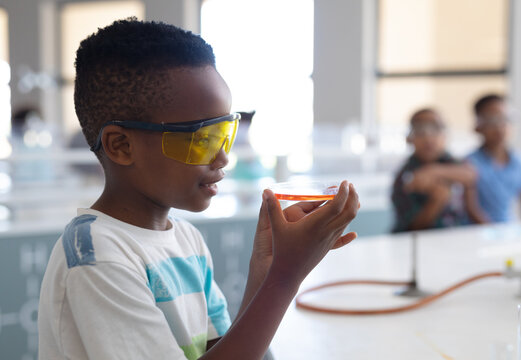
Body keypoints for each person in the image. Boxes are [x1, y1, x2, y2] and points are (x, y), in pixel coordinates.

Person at [38, 18, 359, 360]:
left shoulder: (186, 239)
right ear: (121, 146)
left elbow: (226, 352)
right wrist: (286, 276)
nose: (222, 157)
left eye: (224, 134)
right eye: (201, 139)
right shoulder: (96, 257)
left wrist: (266, 271)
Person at [391, 108, 485, 232]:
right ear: (409, 138)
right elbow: (412, 228)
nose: (428, 137)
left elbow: (471, 174)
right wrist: (437, 200)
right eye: (420, 130)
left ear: (445, 135)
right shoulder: (405, 175)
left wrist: (433, 171)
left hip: (457, 239)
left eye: (435, 129)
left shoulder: (453, 162)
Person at [466, 94, 521, 223]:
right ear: (478, 126)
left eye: (504, 119)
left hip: (510, 231)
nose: (499, 127)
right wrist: (495, 233)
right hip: (476, 234)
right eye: (492, 120)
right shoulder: (468, 163)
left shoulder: (520, 162)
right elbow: (471, 209)